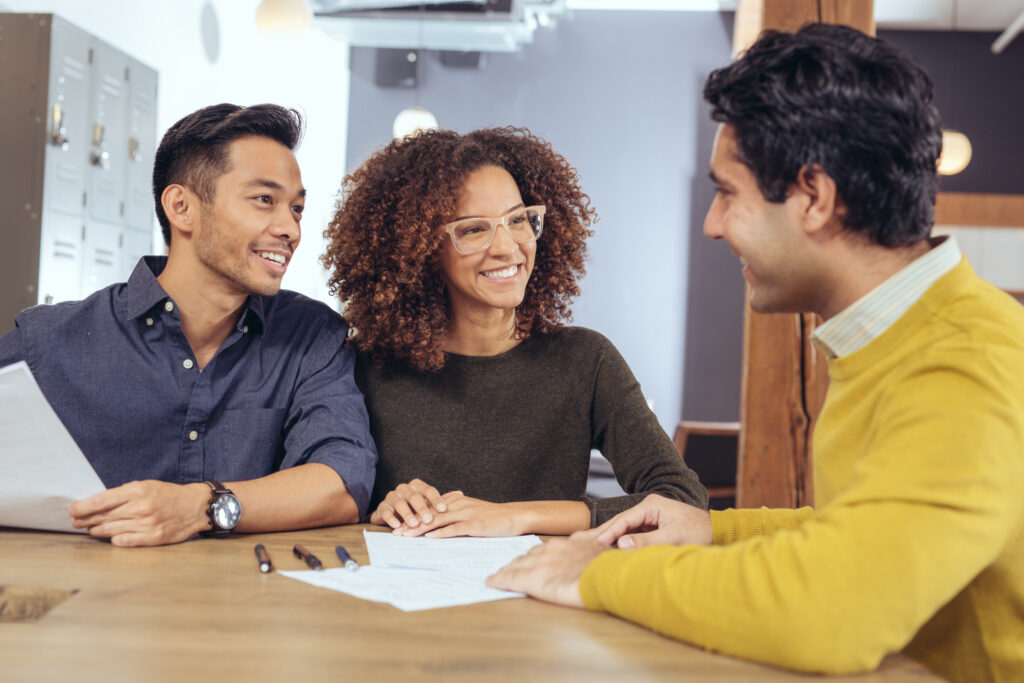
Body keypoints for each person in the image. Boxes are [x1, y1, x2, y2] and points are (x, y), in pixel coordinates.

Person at [487, 24, 1024, 683]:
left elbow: (834, 605)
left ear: (814, 197)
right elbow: (860, 530)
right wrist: (709, 529)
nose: (713, 224)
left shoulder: (962, 365)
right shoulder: (909, 334)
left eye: (727, 193)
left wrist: (604, 571)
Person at [0, 103, 378, 547]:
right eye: (264, 200)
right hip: (92, 605)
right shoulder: (48, 341)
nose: (290, 229)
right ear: (182, 207)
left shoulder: (312, 335)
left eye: (296, 208)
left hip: (249, 606)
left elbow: (344, 481)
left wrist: (202, 506)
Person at [323, 127, 707, 538]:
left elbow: (682, 501)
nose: (508, 247)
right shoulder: (367, 367)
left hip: (538, 594)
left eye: (519, 219)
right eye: (473, 229)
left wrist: (515, 517)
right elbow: (330, 497)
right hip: (401, 597)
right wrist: (379, 507)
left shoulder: (585, 361)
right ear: (418, 250)